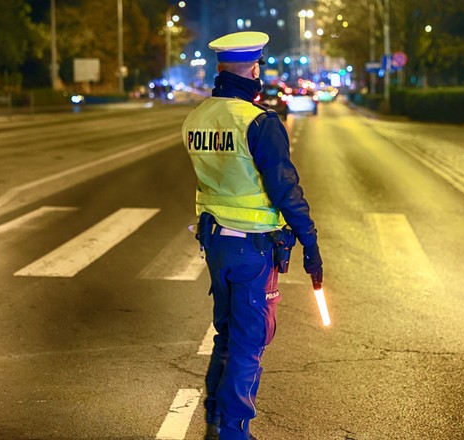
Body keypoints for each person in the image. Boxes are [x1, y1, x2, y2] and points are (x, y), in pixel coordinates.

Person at [181, 31, 323, 440]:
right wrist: (310, 243)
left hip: (215, 244)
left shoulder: (197, 118)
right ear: (254, 68)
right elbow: (285, 190)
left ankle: (215, 418)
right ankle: (234, 431)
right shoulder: (258, 121)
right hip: (252, 248)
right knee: (249, 341)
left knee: (227, 334)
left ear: (220, 68)